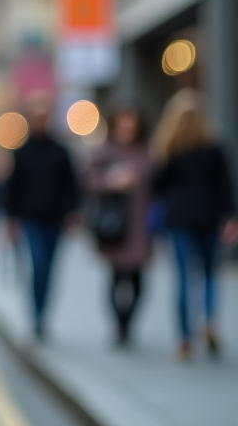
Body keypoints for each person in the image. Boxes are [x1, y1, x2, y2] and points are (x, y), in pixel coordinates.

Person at [151, 89, 238, 361]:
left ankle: (185, 338)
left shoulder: (169, 148)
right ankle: (209, 320)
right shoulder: (214, 146)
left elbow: (158, 187)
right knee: (210, 272)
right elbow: (225, 186)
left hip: (179, 218)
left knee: (184, 277)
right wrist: (230, 216)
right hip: (209, 217)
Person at [5, 94, 79, 340]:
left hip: (55, 219)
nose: (41, 121)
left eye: (44, 117)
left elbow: (71, 185)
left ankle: (43, 315)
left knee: (50, 269)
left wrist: (72, 214)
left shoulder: (61, 151)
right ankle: (36, 315)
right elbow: (13, 188)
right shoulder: (22, 152)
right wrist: (11, 219)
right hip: (30, 218)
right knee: (38, 264)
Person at [81, 104, 152, 346]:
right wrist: (112, 181)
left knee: (138, 281)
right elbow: (88, 181)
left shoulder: (146, 152)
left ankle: (128, 323)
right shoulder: (104, 152)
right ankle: (119, 326)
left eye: (131, 126)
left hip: (140, 226)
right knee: (115, 277)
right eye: (123, 125)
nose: (127, 130)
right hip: (114, 226)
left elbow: (159, 183)